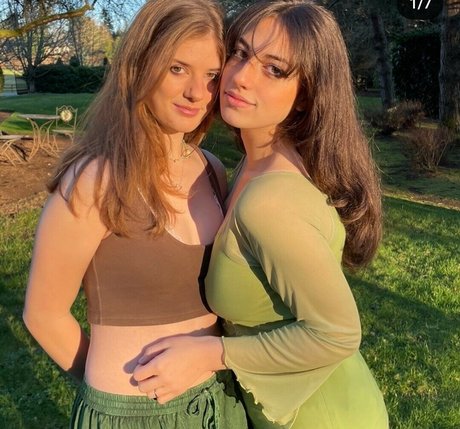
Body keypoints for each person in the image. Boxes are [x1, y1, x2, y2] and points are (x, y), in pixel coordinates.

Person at [132, 1, 389, 428]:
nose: (240, 77)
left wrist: (211, 354)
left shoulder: (269, 201)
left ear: (306, 95)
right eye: (240, 53)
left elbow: (337, 333)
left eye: (274, 69)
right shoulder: (255, 168)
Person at [22, 0, 249, 427]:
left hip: (220, 401)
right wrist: (112, 397)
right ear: (140, 65)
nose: (197, 92)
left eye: (211, 75)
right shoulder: (94, 180)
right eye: (177, 68)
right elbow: (43, 314)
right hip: (133, 413)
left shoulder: (212, 170)